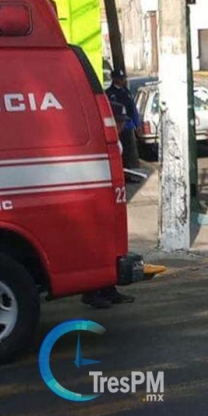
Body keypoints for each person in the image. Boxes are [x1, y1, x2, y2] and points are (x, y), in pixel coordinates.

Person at [80, 103, 137, 309]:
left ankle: (109, 288)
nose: (120, 126)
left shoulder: (113, 139)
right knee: (97, 246)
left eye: (122, 123)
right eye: (118, 122)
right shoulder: (99, 138)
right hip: (97, 198)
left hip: (112, 197)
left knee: (112, 246)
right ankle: (91, 291)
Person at [105, 69, 141, 169]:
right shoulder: (109, 93)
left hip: (128, 126)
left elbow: (133, 109)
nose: (122, 80)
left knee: (130, 152)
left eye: (123, 78)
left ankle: (132, 170)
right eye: (120, 78)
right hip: (116, 128)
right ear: (114, 79)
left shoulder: (126, 92)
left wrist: (137, 125)